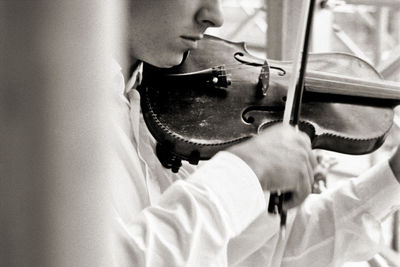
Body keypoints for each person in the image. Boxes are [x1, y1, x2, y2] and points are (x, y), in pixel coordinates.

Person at [108, 0, 400, 266]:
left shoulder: (154, 104)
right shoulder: (70, 124)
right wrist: (242, 171)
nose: (215, 16)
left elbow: (246, 253)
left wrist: (392, 175)